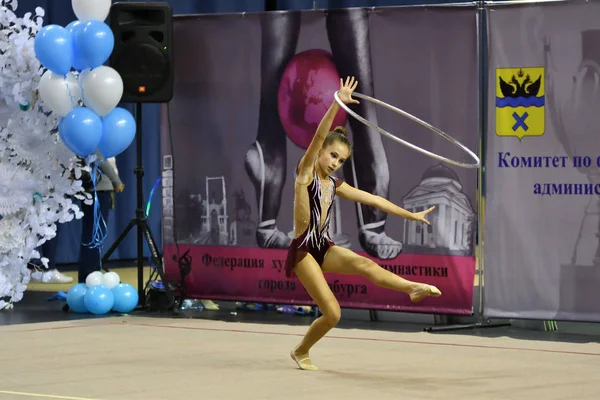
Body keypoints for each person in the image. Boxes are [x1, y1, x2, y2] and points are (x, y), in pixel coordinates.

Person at [287, 77, 441, 371]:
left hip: (324, 246)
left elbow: (375, 200)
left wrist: (412, 216)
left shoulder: (334, 185)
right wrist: (338, 102)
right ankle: (301, 350)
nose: (334, 162)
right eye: (332, 155)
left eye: (340, 159)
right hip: (304, 250)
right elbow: (320, 135)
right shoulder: (305, 173)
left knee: (366, 265)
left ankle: (411, 288)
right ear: (320, 153)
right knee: (332, 313)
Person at [78, 153, 124, 283]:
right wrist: (116, 181)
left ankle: (89, 277)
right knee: (94, 236)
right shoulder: (96, 135)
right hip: (98, 189)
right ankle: (90, 277)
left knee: (92, 235)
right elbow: (99, 158)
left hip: (93, 189)